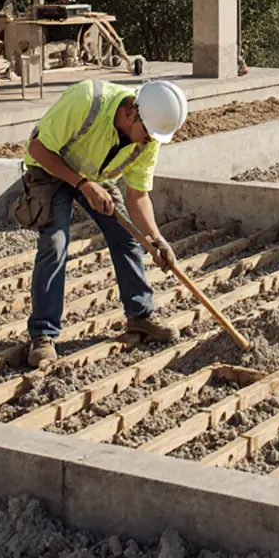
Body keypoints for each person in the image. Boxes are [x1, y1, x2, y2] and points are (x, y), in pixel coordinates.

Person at [20, 78, 188, 367]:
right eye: (147, 134)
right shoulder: (87, 99)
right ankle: (42, 335)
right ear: (131, 112)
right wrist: (82, 184)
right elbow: (37, 149)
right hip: (51, 168)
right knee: (55, 243)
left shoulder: (148, 137)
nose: (148, 141)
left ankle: (140, 316)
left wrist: (156, 239)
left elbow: (137, 196)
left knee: (127, 237)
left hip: (95, 178)